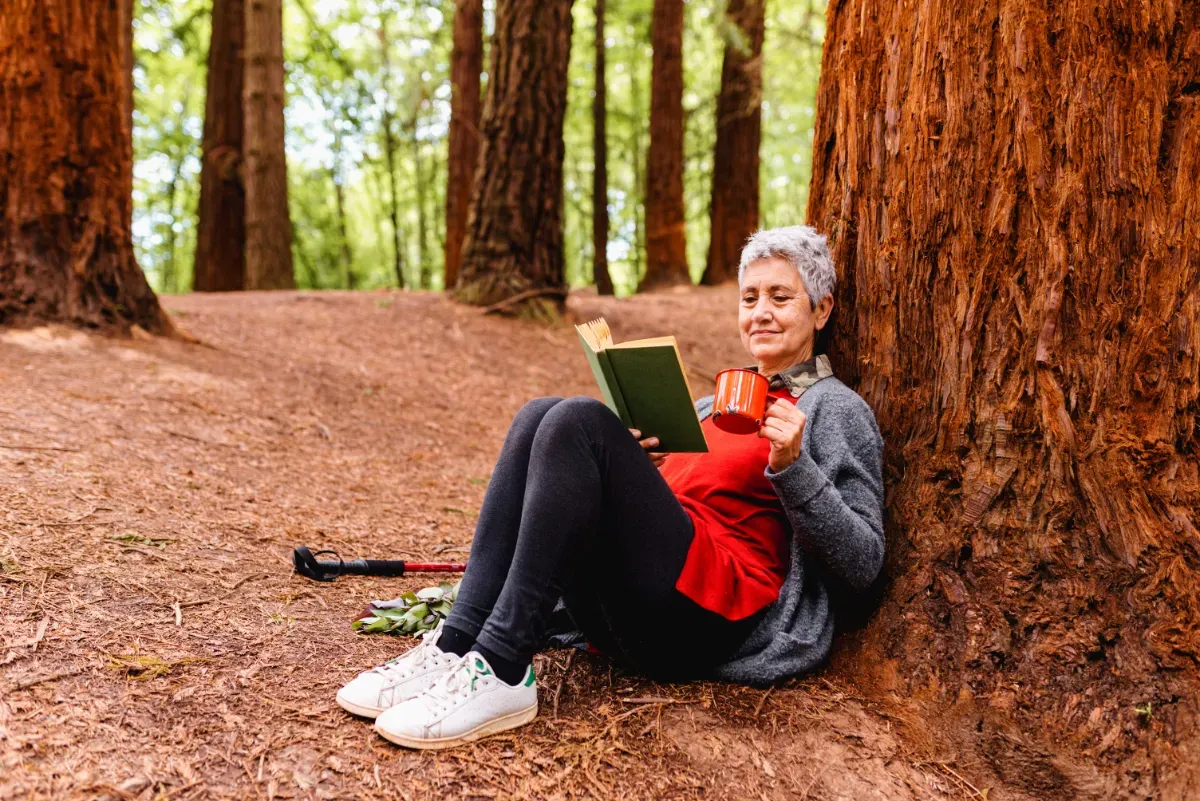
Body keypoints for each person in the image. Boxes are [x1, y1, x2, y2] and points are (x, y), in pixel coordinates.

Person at [336, 225, 885, 750]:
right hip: (634, 604)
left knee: (579, 419)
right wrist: (639, 470)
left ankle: (502, 666)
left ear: (822, 308)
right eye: (749, 298)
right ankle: (456, 644)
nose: (760, 312)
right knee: (540, 415)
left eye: (780, 297)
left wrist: (795, 467)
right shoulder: (705, 407)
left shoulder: (833, 410)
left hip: (709, 617)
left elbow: (862, 566)